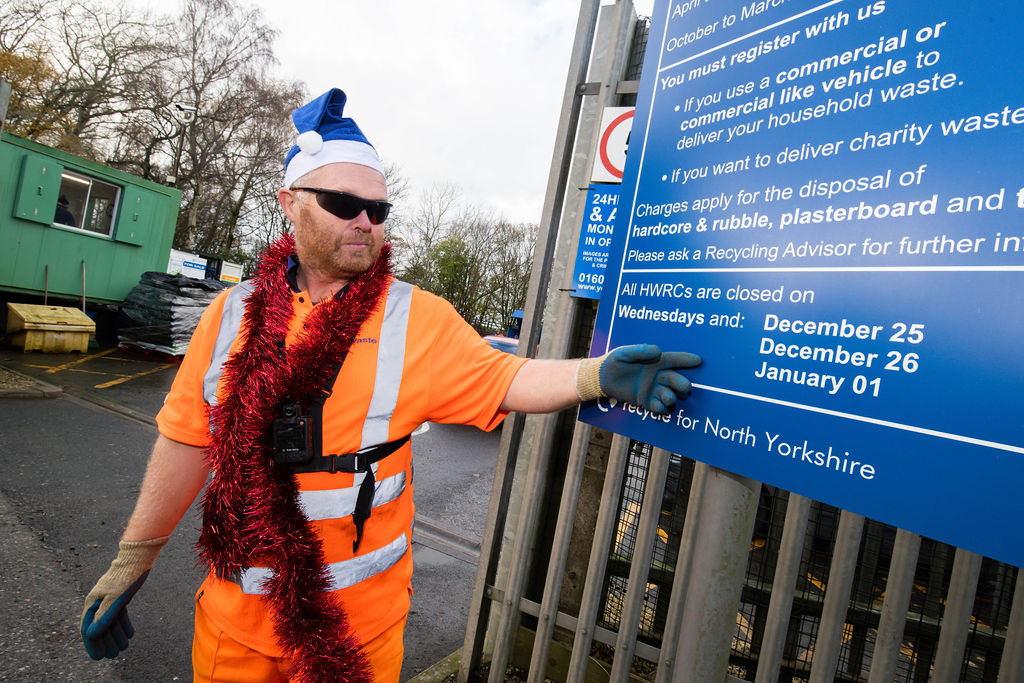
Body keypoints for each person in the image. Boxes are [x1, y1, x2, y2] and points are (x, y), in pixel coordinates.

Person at [80, 88, 701, 682]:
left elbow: (509, 377)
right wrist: (134, 558)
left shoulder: (416, 316)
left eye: (379, 210)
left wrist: (594, 374)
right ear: (290, 201)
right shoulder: (229, 313)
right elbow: (188, 441)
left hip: (354, 635)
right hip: (231, 622)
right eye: (345, 204)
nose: (366, 222)